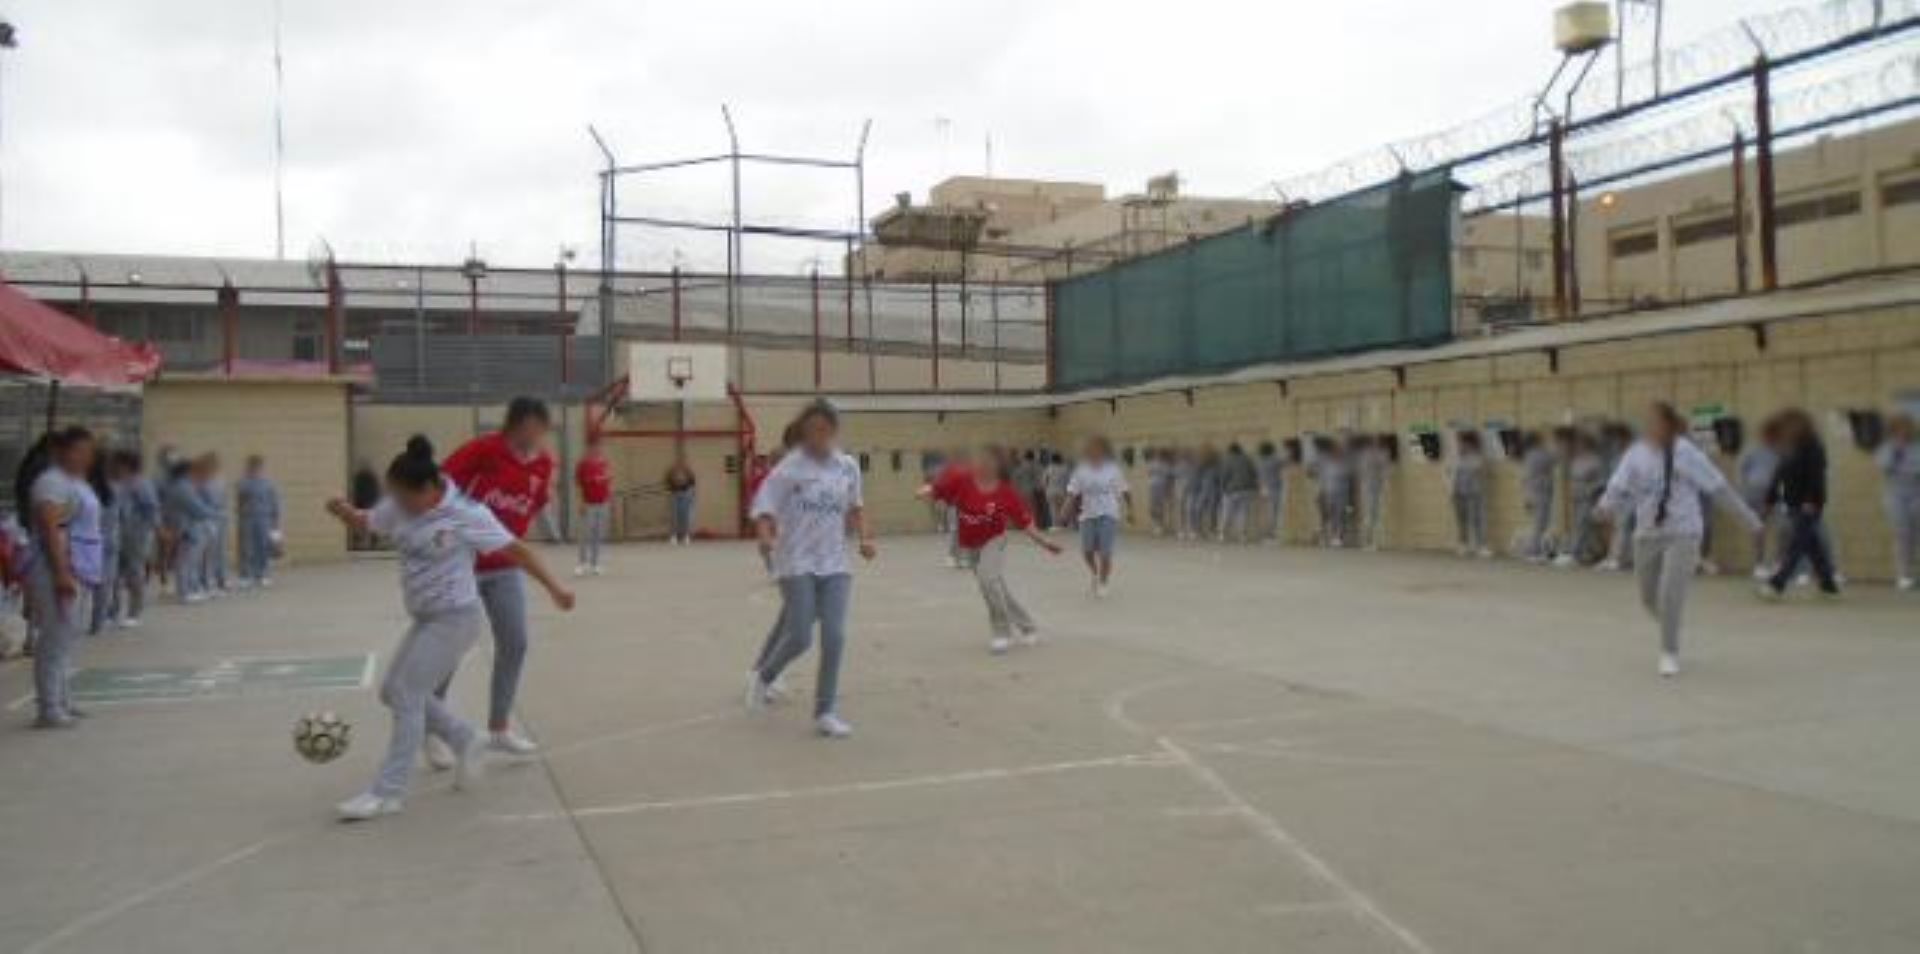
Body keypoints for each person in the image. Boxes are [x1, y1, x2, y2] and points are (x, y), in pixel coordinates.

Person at [324, 436, 574, 821]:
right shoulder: (401, 502)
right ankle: (464, 737)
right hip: (425, 617)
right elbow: (367, 521)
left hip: (456, 618)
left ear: (428, 489)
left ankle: (387, 793)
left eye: (405, 498)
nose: (399, 506)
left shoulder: (466, 514)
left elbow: (517, 550)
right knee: (393, 691)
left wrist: (555, 587)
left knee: (406, 693)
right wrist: (341, 509)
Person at [430, 396, 557, 762]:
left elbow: (532, 505)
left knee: (515, 642)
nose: (539, 435)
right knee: (451, 649)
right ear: (517, 424)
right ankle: (434, 728)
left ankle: (499, 728)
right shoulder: (484, 450)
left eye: (543, 428)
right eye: (535, 426)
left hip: (504, 566)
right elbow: (439, 486)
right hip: (461, 565)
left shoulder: (543, 464)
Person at [1597, 403, 1762, 677]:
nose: (1652, 428)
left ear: (1671, 425)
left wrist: (1750, 521)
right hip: (1648, 533)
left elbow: (1719, 489)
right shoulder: (1636, 454)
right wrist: (1605, 506)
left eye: (1658, 423)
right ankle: (1670, 624)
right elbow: (1618, 484)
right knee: (1648, 598)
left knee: (1671, 593)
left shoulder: (1688, 454)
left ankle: (1669, 652)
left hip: (1683, 531)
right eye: (1649, 423)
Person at [745, 401, 875, 738]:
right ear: (803, 432)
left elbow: (857, 507)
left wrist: (865, 539)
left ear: (834, 431)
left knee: (835, 636)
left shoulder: (847, 467)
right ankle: (765, 675)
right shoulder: (789, 468)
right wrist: (764, 537)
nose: (818, 436)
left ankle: (825, 711)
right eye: (812, 430)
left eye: (825, 430)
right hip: (796, 561)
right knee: (800, 635)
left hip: (835, 563)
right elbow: (764, 506)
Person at [924, 444, 1062, 654]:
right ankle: (1027, 626)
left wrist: (1045, 543)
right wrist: (925, 491)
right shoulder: (963, 480)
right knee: (995, 588)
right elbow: (939, 490)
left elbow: (1025, 523)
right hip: (970, 543)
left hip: (994, 540)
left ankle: (1001, 633)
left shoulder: (1005, 492)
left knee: (988, 580)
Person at [16, 427, 103, 727]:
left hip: (82, 566)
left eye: (89, 452)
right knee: (54, 638)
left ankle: (63, 698)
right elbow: (52, 529)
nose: (86, 458)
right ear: (62, 451)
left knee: (69, 637)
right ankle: (49, 707)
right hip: (57, 567)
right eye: (80, 451)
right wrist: (61, 572)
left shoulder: (76, 482)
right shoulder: (50, 483)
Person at [1758, 409, 1841, 600]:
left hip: (1809, 504)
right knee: (1813, 545)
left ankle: (1776, 584)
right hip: (1792, 502)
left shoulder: (1814, 447)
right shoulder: (1789, 448)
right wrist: (1770, 500)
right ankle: (1828, 585)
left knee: (1796, 545)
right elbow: (1779, 475)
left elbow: (1816, 477)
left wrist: (1811, 501)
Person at [1065, 437, 1129, 597]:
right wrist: (1065, 508)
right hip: (1087, 514)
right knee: (1087, 551)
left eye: (1097, 448)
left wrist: (1132, 509)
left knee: (1105, 552)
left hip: (1108, 512)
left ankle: (1104, 581)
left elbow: (1124, 489)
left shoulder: (1112, 469)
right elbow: (1073, 491)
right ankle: (1094, 573)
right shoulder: (1081, 470)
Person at [109, 451, 158, 627]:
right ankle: (112, 611)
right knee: (113, 574)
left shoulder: (141, 484)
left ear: (126, 465)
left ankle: (134, 612)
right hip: (118, 534)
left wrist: (150, 530)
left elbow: (151, 509)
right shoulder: (118, 484)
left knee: (134, 573)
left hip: (136, 535)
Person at [1738, 416, 1785, 581]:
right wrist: (1744, 491)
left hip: (1775, 494)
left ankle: (1778, 562)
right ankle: (1759, 564)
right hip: (1754, 493)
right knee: (1759, 528)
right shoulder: (1753, 449)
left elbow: (1784, 471)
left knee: (1781, 527)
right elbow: (1743, 470)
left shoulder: (1781, 450)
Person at [1877, 413, 1920, 591]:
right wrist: (1897, 452)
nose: (1904, 433)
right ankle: (1904, 575)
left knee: (1916, 535)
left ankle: (1913, 573)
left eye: (1907, 429)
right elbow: (1884, 466)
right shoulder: (1887, 448)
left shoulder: (1916, 447)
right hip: (1895, 495)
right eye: (1900, 430)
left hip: (1916, 493)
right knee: (1902, 534)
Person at [1555, 432, 1608, 568]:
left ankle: (1575, 553)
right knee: (1585, 527)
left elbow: (1602, 481)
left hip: (1588, 497)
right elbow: (1571, 475)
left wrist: (1591, 490)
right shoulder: (1576, 459)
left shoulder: (1596, 460)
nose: (1578, 446)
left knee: (1582, 525)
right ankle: (1592, 552)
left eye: (1580, 444)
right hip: (1576, 496)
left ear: (1587, 445)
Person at [235, 454, 282, 588]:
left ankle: (262, 574)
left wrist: (275, 521)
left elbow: (275, 503)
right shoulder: (243, 482)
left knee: (263, 547)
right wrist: (241, 514)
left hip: (264, 518)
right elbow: (240, 500)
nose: (254, 469)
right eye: (251, 466)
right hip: (247, 518)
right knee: (246, 547)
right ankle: (245, 575)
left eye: (257, 466)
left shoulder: (268, 483)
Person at [87, 452, 120, 636]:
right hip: (109, 539)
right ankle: (98, 623)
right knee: (105, 583)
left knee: (87, 585)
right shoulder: (113, 488)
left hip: (89, 540)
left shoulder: (86, 487)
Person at [1447, 432, 1491, 558]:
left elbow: (1478, 468)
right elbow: (1448, 472)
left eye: (1462, 443)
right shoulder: (1455, 456)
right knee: (1461, 520)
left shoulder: (1477, 456)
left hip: (1474, 492)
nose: (1460, 445)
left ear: (1470, 444)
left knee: (1477, 519)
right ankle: (1463, 544)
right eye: (1459, 443)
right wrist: (1449, 488)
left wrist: (1464, 457)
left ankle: (1481, 546)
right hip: (1458, 492)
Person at [574, 435, 612, 575]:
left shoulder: (605, 463)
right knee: (585, 534)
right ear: (589, 447)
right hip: (588, 503)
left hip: (603, 503)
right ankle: (581, 563)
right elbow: (578, 485)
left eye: (600, 446)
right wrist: (581, 502)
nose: (598, 449)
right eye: (595, 446)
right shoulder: (582, 464)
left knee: (598, 534)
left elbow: (608, 482)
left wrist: (608, 499)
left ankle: (595, 563)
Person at [1518, 432, 1558, 562]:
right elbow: (1555, 458)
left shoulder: (1528, 455)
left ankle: (1534, 550)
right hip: (1541, 493)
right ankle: (1533, 551)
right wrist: (1553, 445)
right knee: (1540, 524)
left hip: (1532, 492)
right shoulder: (1539, 454)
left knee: (1538, 523)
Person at [197, 453, 231, 596]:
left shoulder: (220, 481)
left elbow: (224, 499)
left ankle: (221, 578)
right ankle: (206, 582)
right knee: (207, 553)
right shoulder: (201, 482)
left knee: (220, 551)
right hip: (208, 519)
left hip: (220, 518)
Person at [1310, 439, 1353, 548]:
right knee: (1327, 515)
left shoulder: (1344, 465)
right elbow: (1314, 474)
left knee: (1339, 515)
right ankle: (1328, 536)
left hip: (1341, 493)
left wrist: (1350, 500)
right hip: (1327, 492)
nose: (1335, 453)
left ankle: (1337, 537)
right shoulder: (1326, 463)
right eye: (1334, 451)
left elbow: (1348, 480)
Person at [1217, 443, 1259, 543]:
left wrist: (1222, 488)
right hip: (1247, 490)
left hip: (1232, 490)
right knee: (1243, 513)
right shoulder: (1248, 459)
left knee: (1227, 513)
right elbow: (1254, 474)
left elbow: (1224, 475)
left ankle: (1223, 534)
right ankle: (1242, 536)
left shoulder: (1227, 460)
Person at [1354, 436, 1391, 550]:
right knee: (1368, 514)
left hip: (1377, 486)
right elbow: (1362, 470)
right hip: (1367, 486)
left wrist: (1385, 483)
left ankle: (1376, 541)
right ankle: (1367, 541)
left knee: (1378, 514)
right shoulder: (1365, 455)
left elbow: (1385, 469)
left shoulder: (1383, 454)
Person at [1255, 442, 1287, 544]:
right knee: (1274, 511)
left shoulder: (1258, 460)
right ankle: (1271, 532)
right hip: (1274, 488)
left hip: (1262, 487)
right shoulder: (1274, 459)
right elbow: (1286, 461)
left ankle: (1263, 532)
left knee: (1264, 511)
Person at [349, 461, 381, 550]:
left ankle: (362, 541)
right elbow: (374, 491)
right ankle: (367, 541)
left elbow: (358, 491)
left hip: (364, 503)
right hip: (367, 503)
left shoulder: (362, 478)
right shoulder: (369, 478)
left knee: (363, 523)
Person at [665, 456, 696, 546]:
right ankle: (674, 536)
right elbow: (668, 481)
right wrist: (670, 489)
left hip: (685, 493)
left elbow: (692, 482)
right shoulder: (671, 471)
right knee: (674, 516)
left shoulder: (688, 471)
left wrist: (691, 493)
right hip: (675, 493)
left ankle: (686, 536)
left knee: (685, 516)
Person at [1146, 448, 1177, 537]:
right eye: (1156, 454)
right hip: (1153, 486)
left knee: (1159, 506)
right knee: (1153, 506)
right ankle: (1156, 525)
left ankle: (1160, 526)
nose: (1157, 455)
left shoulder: (1166, 464)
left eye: (1159, 454)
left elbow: (1169, 474)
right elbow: (1149, 472)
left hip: (1161, 486)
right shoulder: (1153, 463)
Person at [1043, 452, 1072, 531]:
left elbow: (1044, 481)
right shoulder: (1065, 469)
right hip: (1061, 491)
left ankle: (1055, 526)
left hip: (1051, 491)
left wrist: (1045, 489)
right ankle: (1063, 525)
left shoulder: (1049, 468)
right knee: (1063, 509)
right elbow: (1069, 481)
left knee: (1053, 509)